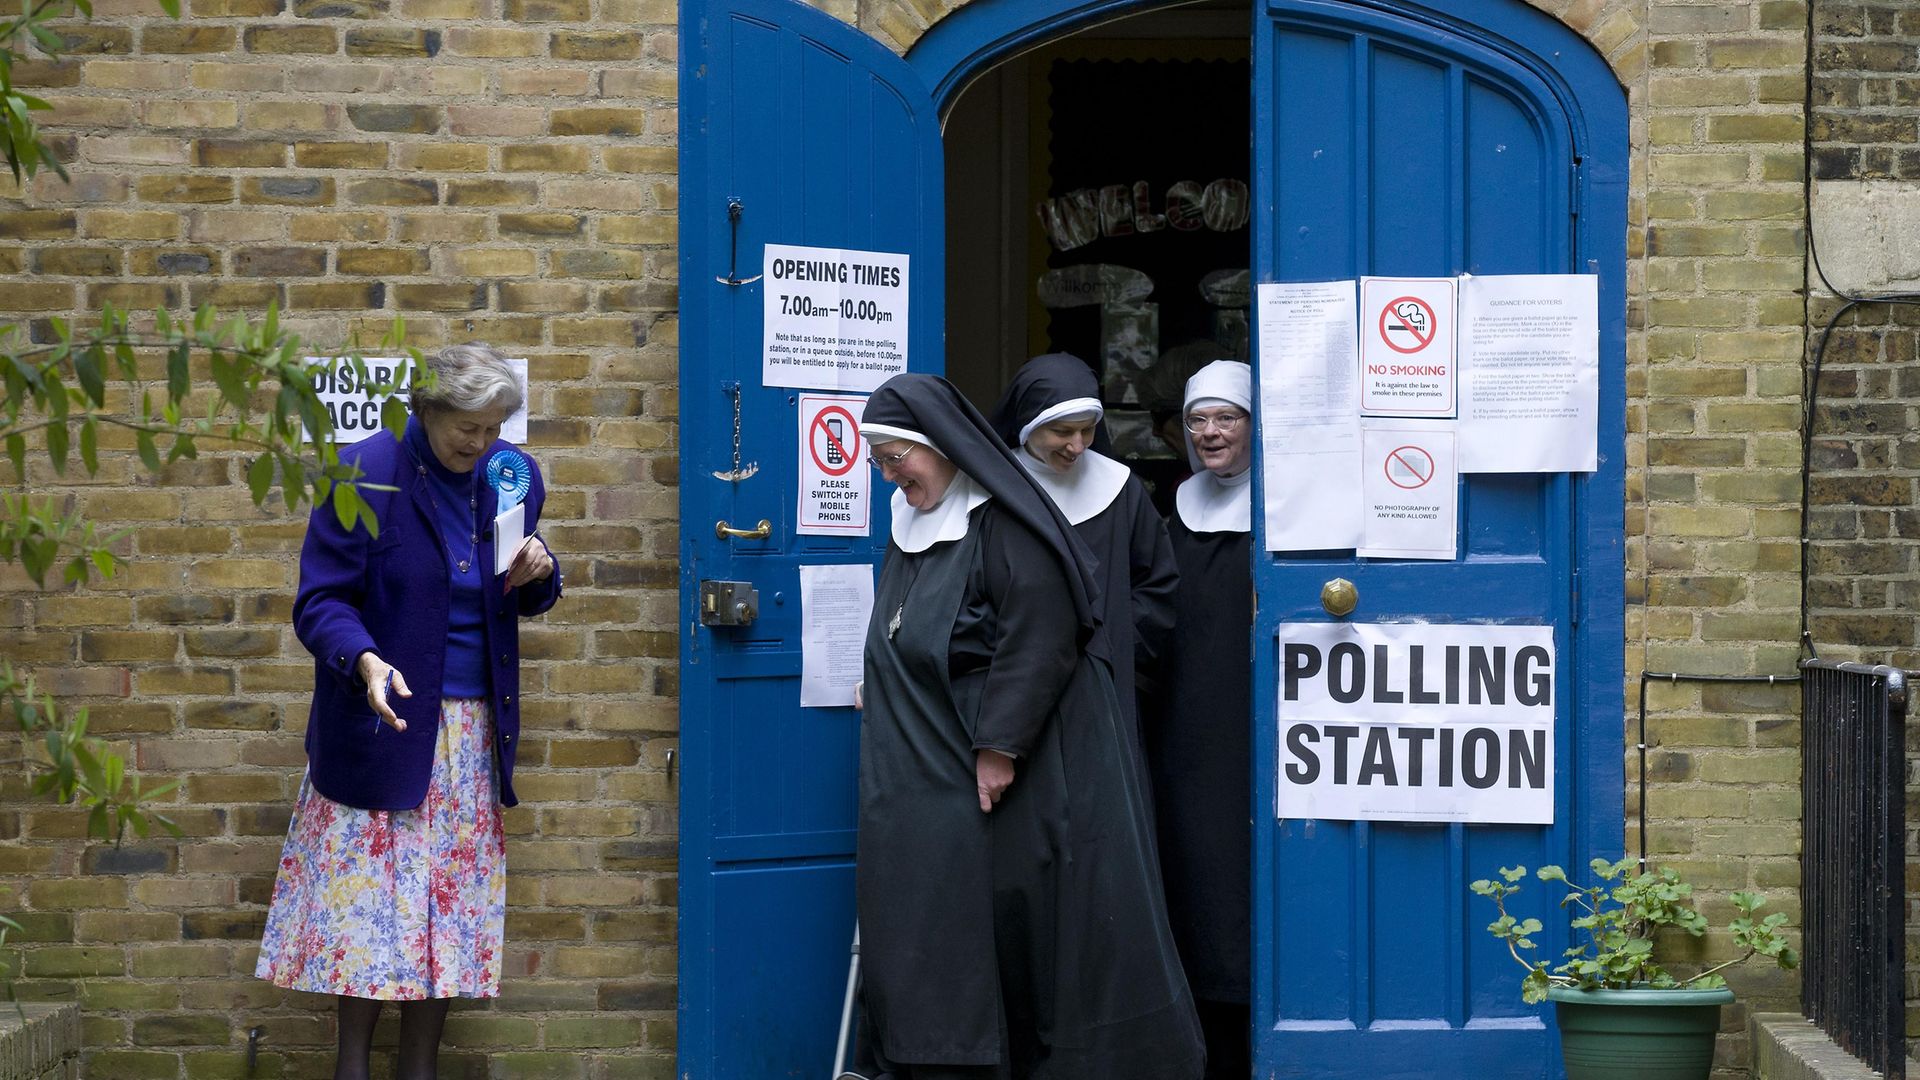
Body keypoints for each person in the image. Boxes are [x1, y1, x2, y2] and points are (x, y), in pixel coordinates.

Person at [855, 373, 1203, 1080]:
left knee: (1039, 922)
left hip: (1036, 759)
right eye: (882, 461)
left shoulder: (1004, 520)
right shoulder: (915, 518)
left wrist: (998, 745)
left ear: (941, 447)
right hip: (944, 762)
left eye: (899, 457)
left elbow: (1039, 635)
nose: (891, 474)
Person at [256, 343, 563, 1080]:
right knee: (368, 932)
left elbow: (517, 586)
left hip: (468, 739)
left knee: (444, 930)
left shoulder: (509, 477)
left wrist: (542, 570)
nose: (483, 444)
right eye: (468, 428)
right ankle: (353, 1067)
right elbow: (321, 600)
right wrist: (362, 660)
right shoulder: (366, 472)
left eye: (496, 428)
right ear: (426, 410)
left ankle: (420, 1068)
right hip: (383, 727)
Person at [1150, 359, 1255, 1080]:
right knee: (1189, 876)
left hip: (1252, 727)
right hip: (1185, 728)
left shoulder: (1285, 510)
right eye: (1198, 420)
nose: (1211, 433)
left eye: (1227, 418)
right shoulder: (1170, 512)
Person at [987, 352, 1177, 745]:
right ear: (1028, 424)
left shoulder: (1120, 489)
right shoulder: (990, 490)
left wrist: (1112, 648)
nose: (1077, 446)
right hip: (1011, 685)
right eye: (1062, 431)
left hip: (1104, 684)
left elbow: (1157, 584)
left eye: (1087, 430)